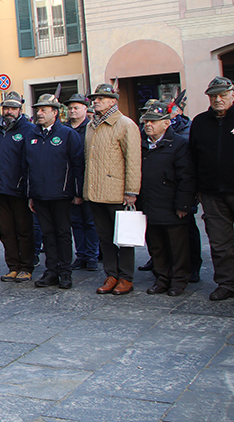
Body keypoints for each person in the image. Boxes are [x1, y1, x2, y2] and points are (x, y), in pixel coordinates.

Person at [84, 83, 142, 296]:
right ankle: (111, 274)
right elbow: (87, 160)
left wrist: (131, 191)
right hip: (95, 192)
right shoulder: (91, 125)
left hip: (117, 192)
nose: (96, 100)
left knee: (124, 238)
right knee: (105, 237)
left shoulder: (125, 124)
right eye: (95, 97)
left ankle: (126, 277)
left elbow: (133, 160)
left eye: (101, 97)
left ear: (113, 101)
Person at [23, 95, 85, 290]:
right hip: (40, 194)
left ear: (55, 112)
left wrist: (77, 191)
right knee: (47, 234)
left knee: (63, 234)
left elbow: (77, 164)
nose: (39, 113)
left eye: (44, 110)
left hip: (61, 194)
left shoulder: (67, 134)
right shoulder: (32, 136)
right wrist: (30, 193)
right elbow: (27, 166)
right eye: (38, 110)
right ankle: (51, 271)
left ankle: (65, 272)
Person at [138, 103, 197, 297]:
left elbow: (186, 177)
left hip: (172, 205)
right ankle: (162, 278)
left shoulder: (179, 144)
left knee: (178, 246)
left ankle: (179, 280)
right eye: (146, 121)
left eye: (153, 122)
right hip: (149, 203)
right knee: (156, 245)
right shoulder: (142, 144)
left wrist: (184, 205)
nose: (148, 125)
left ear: (166, 123)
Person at [0, 92, 38, 283]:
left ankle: (26, 266)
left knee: (24, 230)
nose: (9, 111)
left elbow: (32, 161)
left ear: (20, 110)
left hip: (20, 190)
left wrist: (29, 187)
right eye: (6, 108)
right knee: (5, 230)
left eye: (13, 108)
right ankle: (13, 266)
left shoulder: (29, 130)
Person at [189, 76, 234, 300]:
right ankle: (226, 283)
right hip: (211, 192)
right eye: (213, 96)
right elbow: (193, 158)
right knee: (219, 242)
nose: (218, 99)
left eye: (222, 95)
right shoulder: (200, 122)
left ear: (232, 95)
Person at [66, 94, 100, 271]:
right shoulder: (64, 129)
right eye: (70, 108)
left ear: (85, 109)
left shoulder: (92, 128)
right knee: (76, 222)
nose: (72, 111)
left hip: (89, 182)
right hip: (69, 183)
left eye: (76, 108)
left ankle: (92, 256)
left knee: (90, 221)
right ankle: (81, 255)